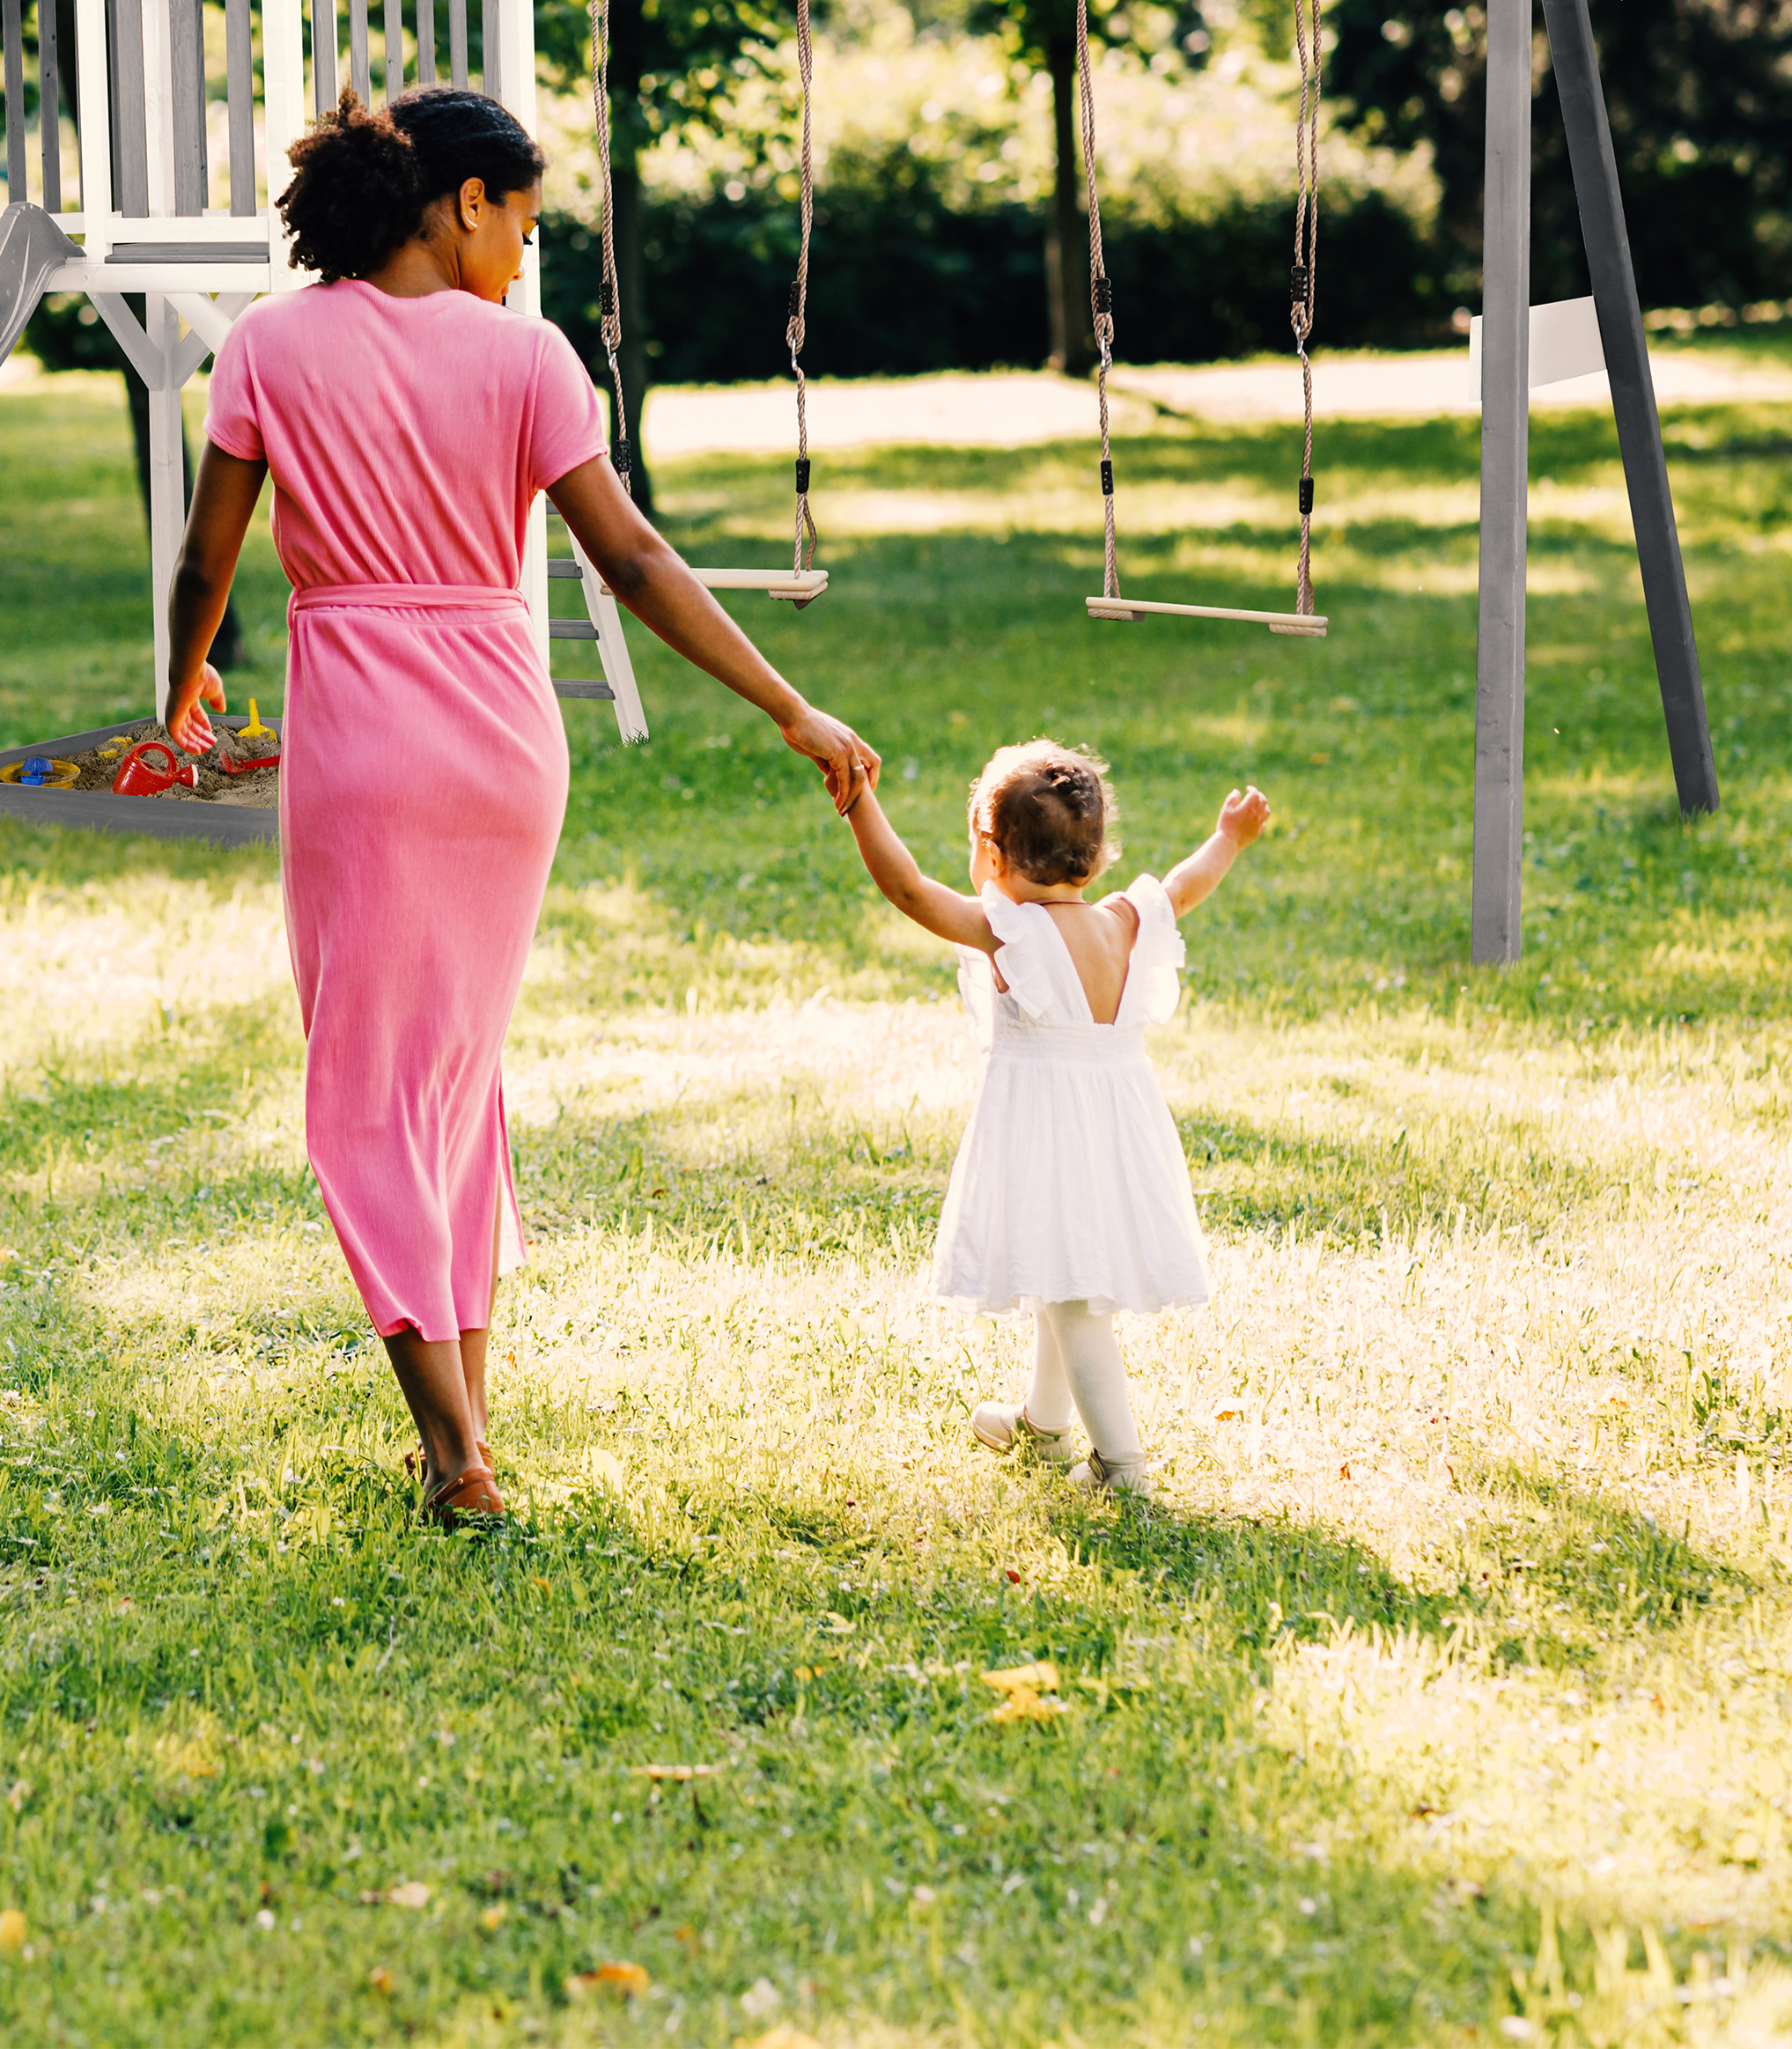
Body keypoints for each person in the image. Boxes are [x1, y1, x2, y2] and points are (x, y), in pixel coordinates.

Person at [164, 86, 879, 1523]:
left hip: (363, 739)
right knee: (451, 1083)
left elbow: (207, 559)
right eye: (525, 223)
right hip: (502, 740)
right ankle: (468, 1424)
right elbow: (632, 562)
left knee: (367, 1092)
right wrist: (787, 703)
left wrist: (177, 687)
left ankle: (453, 1453)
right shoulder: (529, 359)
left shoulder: (268, 345)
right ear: (463, 201)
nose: (525, 255)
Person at [837, 740, 1272, 1495]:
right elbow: (1185, 883)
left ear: (993, 854)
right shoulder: (1125, 921)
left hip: (1049, 1134)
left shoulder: (1011, 933)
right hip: (1117, 1130)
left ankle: (1120, 1465)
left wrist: (859, 801)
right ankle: (1043, 1424)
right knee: (1057, 1270)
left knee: (1073, 1300)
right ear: (1097, 858)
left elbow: (908, 889)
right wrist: (1228, 838)